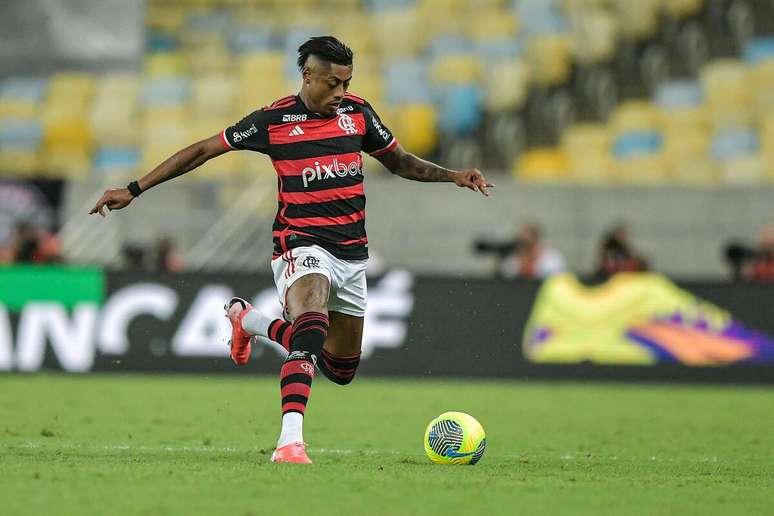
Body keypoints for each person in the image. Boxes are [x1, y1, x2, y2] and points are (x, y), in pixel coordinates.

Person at [89, 36, 493, 464]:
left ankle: (250, 320)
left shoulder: (358, 114)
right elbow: (203, 151)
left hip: (353, 254)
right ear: (308, 75)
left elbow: (401, 162)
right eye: (333, 83)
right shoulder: (273, 120)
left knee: (340, 370)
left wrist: (453, 175)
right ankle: (289, 442)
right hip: (300, 244)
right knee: (311, 324)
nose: (341, 93)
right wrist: (134, 189)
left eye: (347, 83)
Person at [498, 223, 565, 279]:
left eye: (526, 243)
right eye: (520, 243)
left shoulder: (551, 259)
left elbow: (557, 279)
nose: (523, 248)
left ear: (536, 240)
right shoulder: (511, 261)